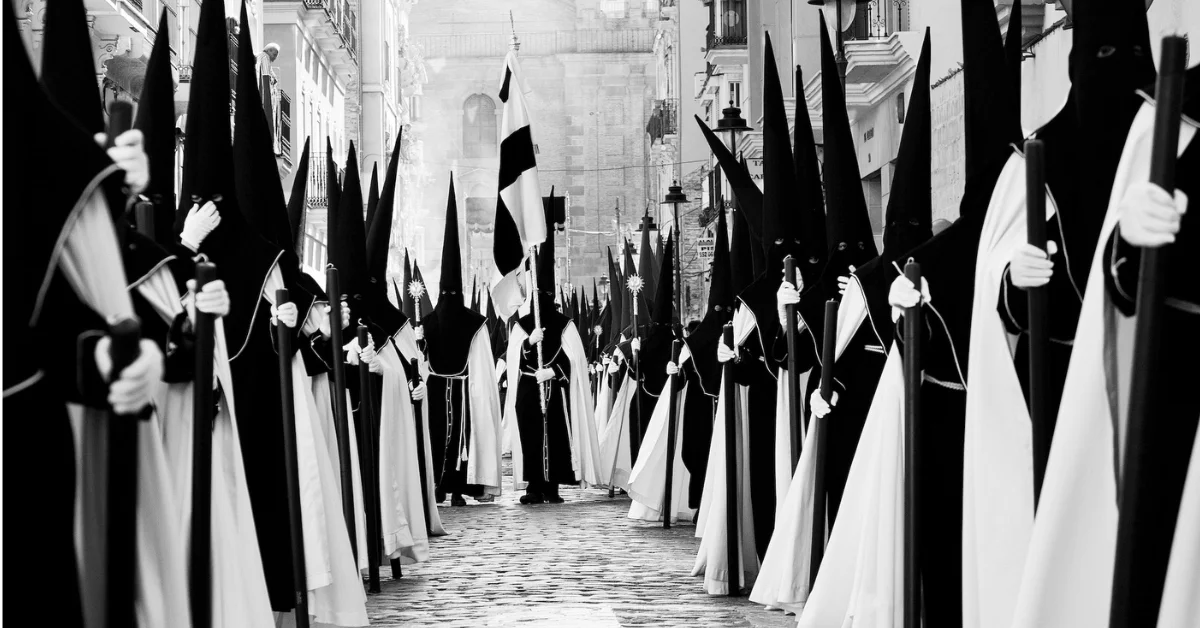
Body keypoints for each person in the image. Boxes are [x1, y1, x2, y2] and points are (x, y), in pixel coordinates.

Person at [502, 211, 602, 504]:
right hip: (528, 388)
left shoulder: (564, 324)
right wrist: (528, 343)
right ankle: (534, 486)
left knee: (556, 435)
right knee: (531, 435)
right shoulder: (522, 326)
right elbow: (513, 360)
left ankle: (553, 486)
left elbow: (576, 361)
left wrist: (555, 372)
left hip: (556, 390)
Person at [418, 177, 504, 507]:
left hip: (439, 390)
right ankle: (452, 489)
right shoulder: (473, 322)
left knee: (441, 435)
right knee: (456, 437)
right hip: (464, 391)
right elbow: (481, 365)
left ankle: (442, 487)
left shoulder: (428, 321)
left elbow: (420, 359)